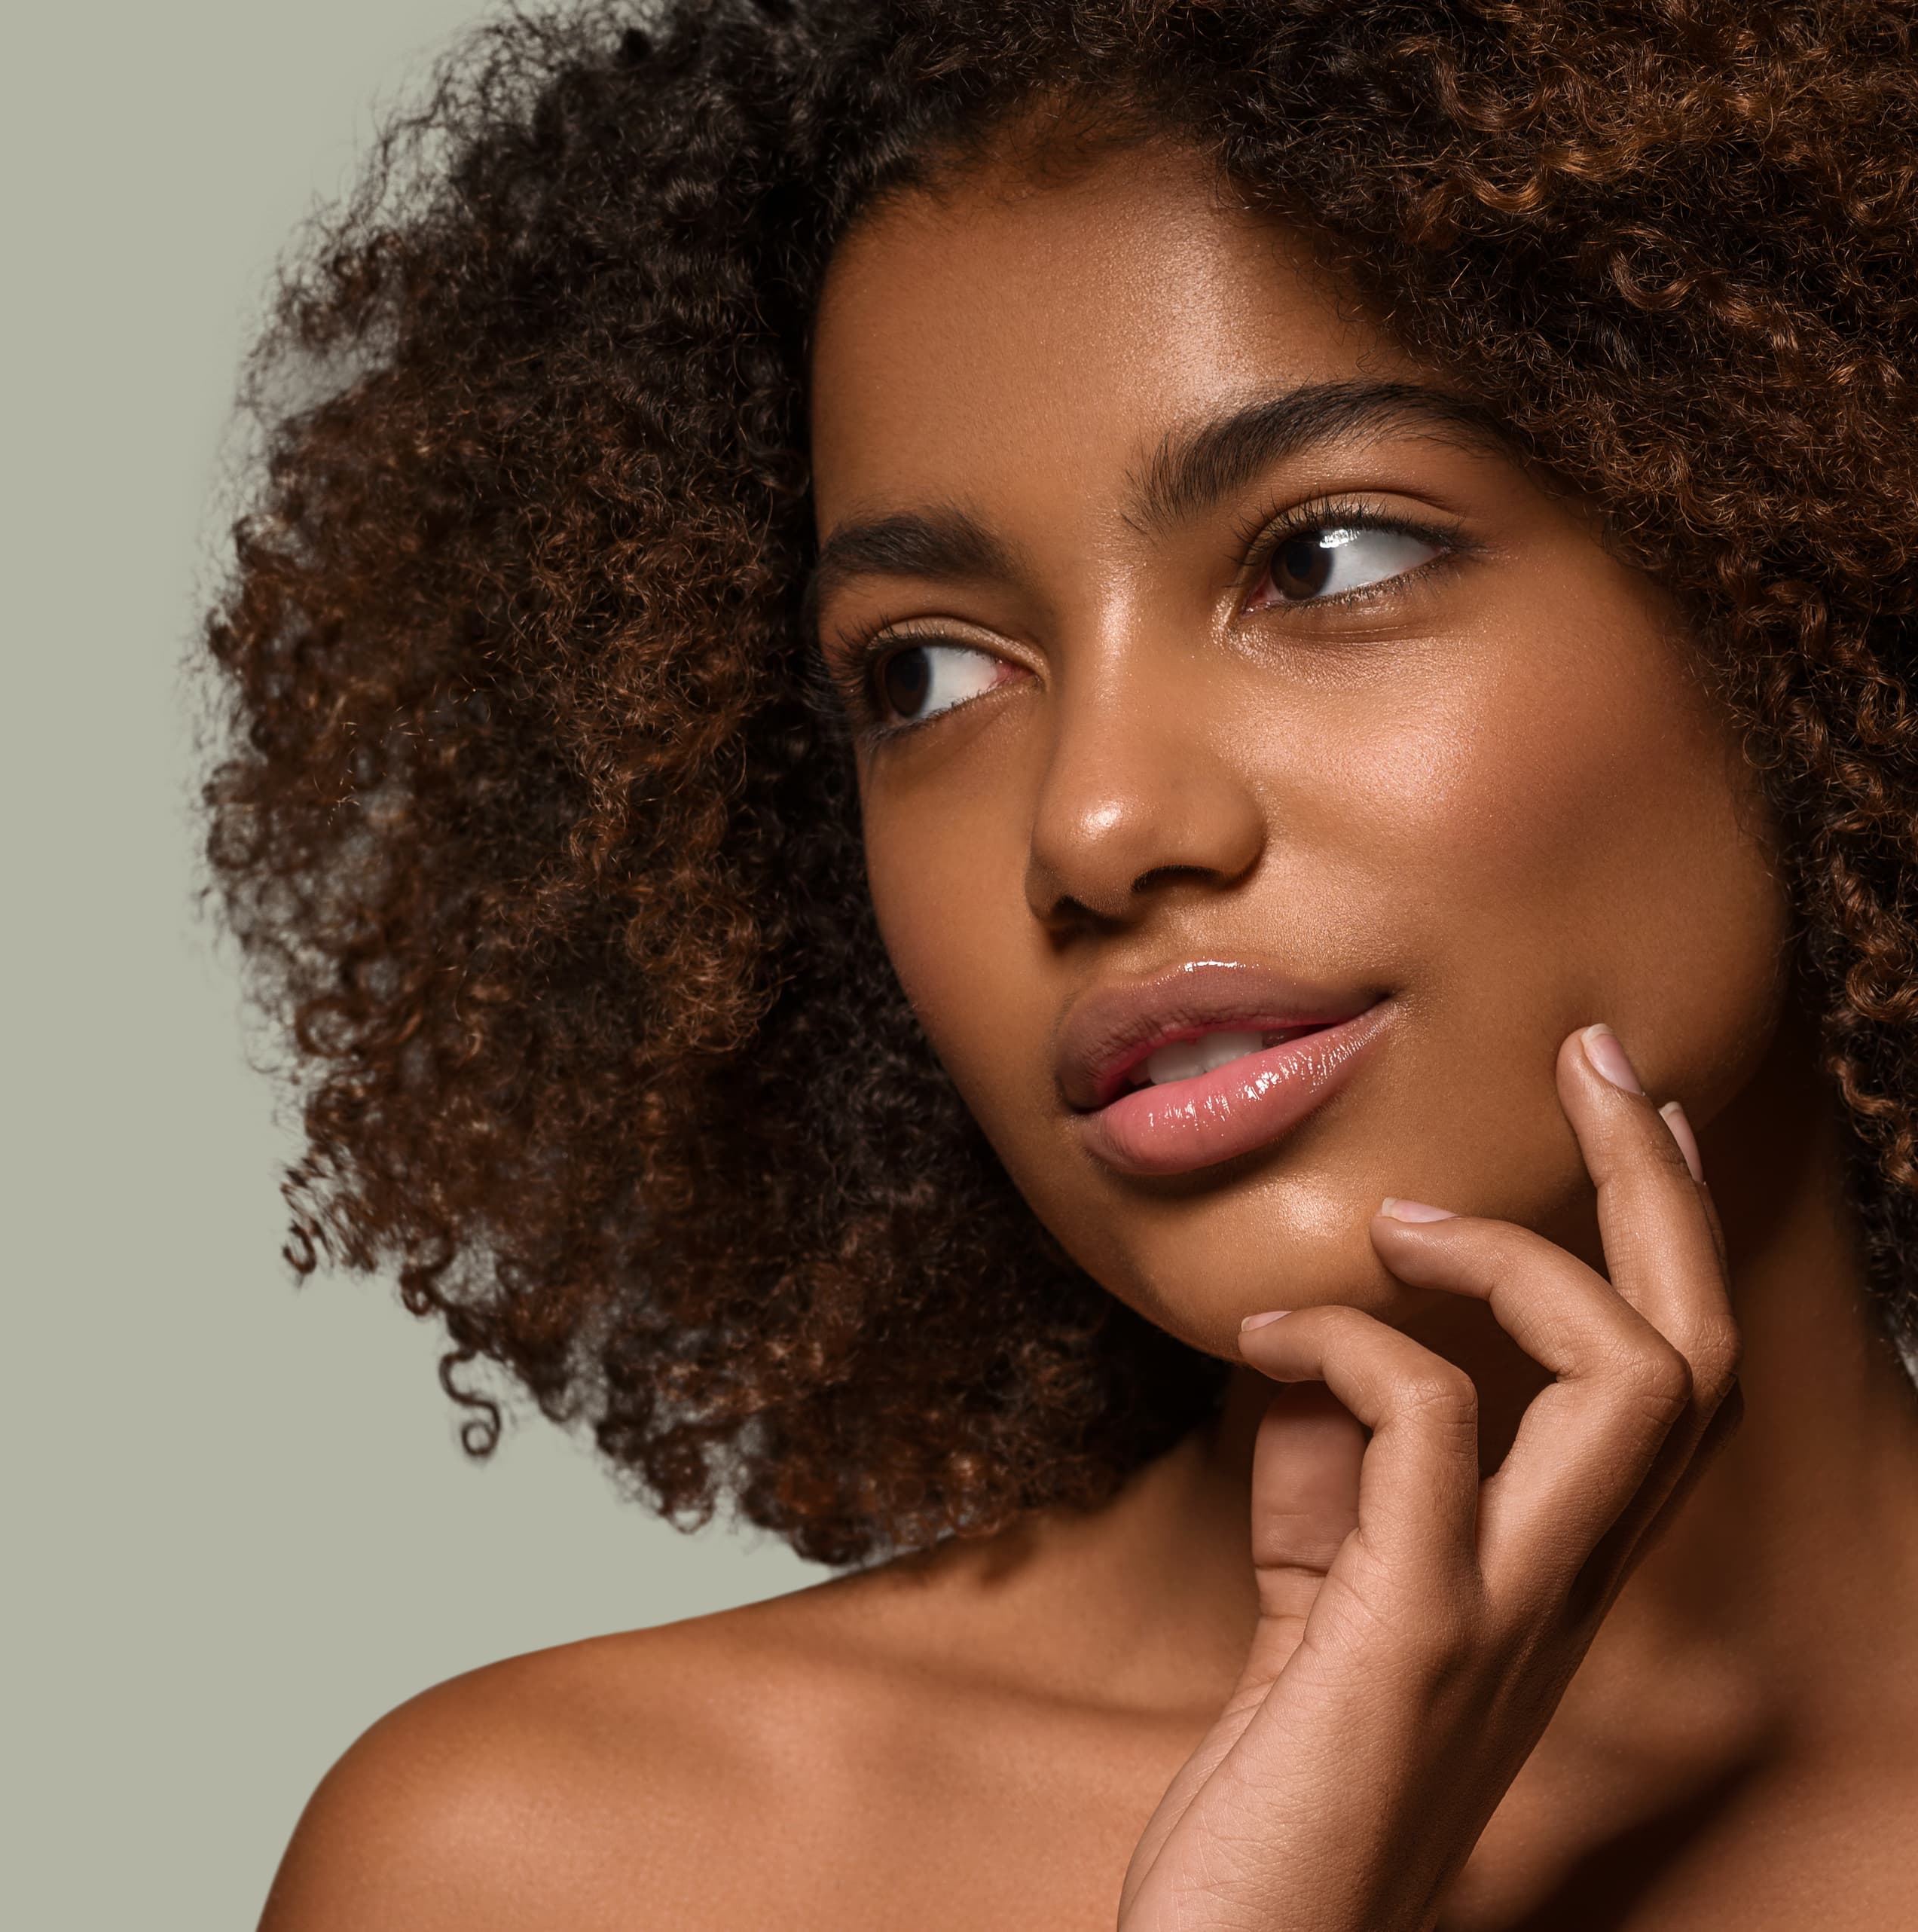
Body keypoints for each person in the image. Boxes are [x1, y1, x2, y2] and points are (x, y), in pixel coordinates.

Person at [201, 3, 1918, 1924]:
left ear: (1813, 562)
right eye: (924, 673)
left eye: (1330, 558)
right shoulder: (556, 1865)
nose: (1089, 825)